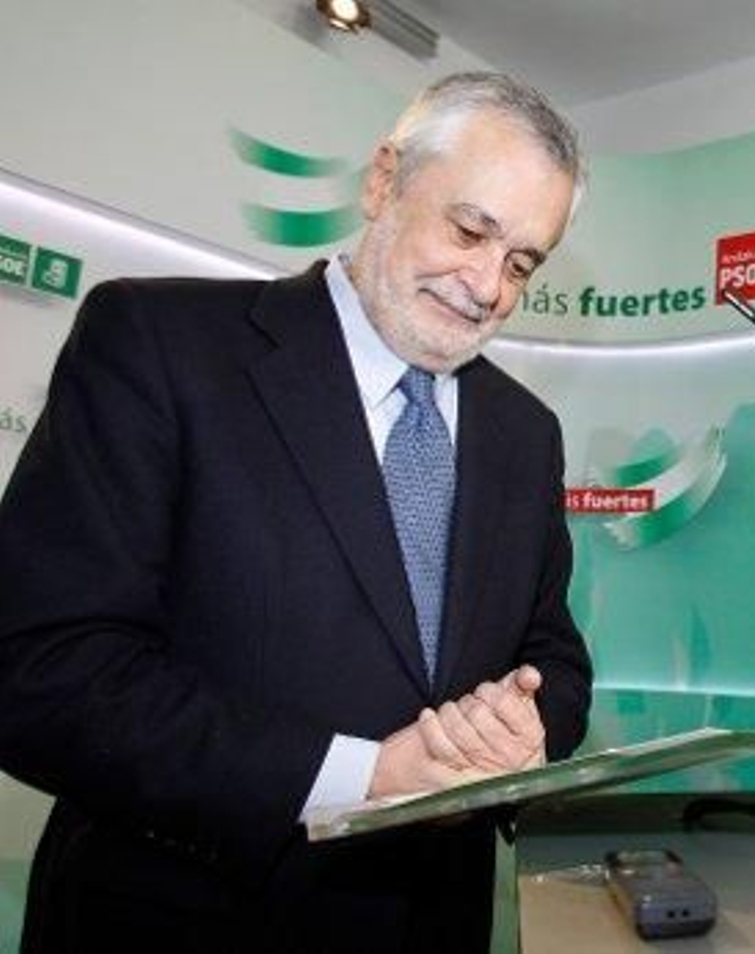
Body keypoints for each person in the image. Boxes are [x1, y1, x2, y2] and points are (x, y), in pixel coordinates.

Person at [0, 72, 594, 952]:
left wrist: (524, 730)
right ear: (384, 181)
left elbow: (553, 656)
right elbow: (42, 669)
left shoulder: (527, 432)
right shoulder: (158, 343)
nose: (486, 286)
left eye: (520, 264)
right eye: (470, 231)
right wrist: (364, 776)